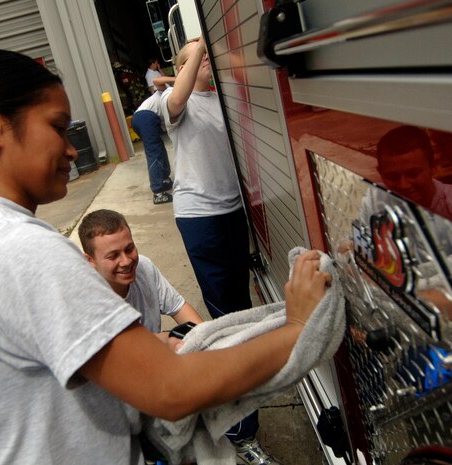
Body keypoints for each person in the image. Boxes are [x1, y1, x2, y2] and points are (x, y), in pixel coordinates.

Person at [0, 48, 331, 465]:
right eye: (56, 126)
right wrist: (296, 327)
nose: (72, 147)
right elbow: (171, 390)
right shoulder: (16, 248)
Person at [161, 38, 275, 465]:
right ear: (184, 66)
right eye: (198, 57)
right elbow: (176, 94)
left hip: (233, 211)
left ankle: (241, 407)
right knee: (227, 321)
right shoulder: (173, 103)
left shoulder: (225, 99)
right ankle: (241, 433)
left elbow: (252, 71)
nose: (208, 60)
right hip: (200, 218)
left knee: (242, 309)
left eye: (210, 55)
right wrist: (195, 56)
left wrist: (218, 54)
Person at [78, 208, 203, 339]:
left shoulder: (144, 267)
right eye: (113, 256)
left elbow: (179, 308)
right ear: (90, 260)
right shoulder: (87, 303)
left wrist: (207, 337)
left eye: (129, 249)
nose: (126, 261)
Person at [131, 75, 176, 205]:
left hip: (146, 119)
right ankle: (158, 193)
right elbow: (156, 80)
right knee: (154, 152)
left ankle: (164, 179)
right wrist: (177, 79)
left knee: (159, 148)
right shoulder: (168, 89)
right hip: (145, 117)